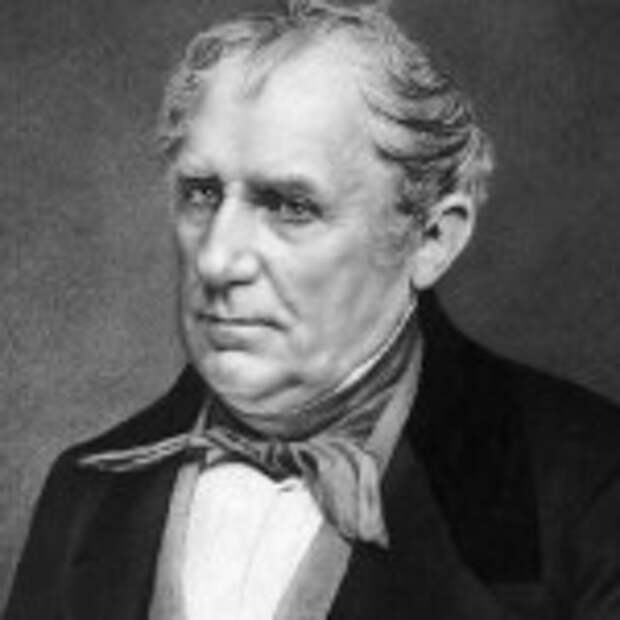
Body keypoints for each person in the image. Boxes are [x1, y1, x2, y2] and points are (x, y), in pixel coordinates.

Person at [5, 1, 620, 618]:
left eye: (290, 205)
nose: (217, 261)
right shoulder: (86, 494)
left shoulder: (588, 489)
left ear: (431, 239)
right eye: (202, 193)